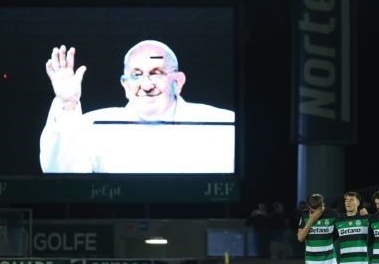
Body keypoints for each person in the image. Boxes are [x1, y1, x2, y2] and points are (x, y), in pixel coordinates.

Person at [40, 41, 234, 173]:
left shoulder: (223, 125)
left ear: (178, 81)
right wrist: (67, 104)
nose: (147, 84)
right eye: (136, 75)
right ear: (125, 85)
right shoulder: (93, 126)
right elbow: (58, 172)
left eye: (156, 73)